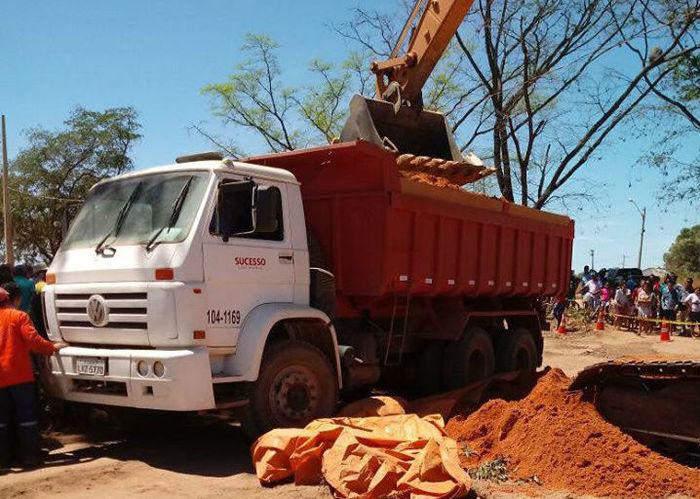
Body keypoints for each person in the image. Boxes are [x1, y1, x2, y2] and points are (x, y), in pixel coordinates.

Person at [0, 283, 65, 468]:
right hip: (19, 376)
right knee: (26, 419)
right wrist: (52, 348)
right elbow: (33, 341)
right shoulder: (19, 316)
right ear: (14, 299)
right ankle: (29, 458)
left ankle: (4, 460)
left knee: (2, 421)